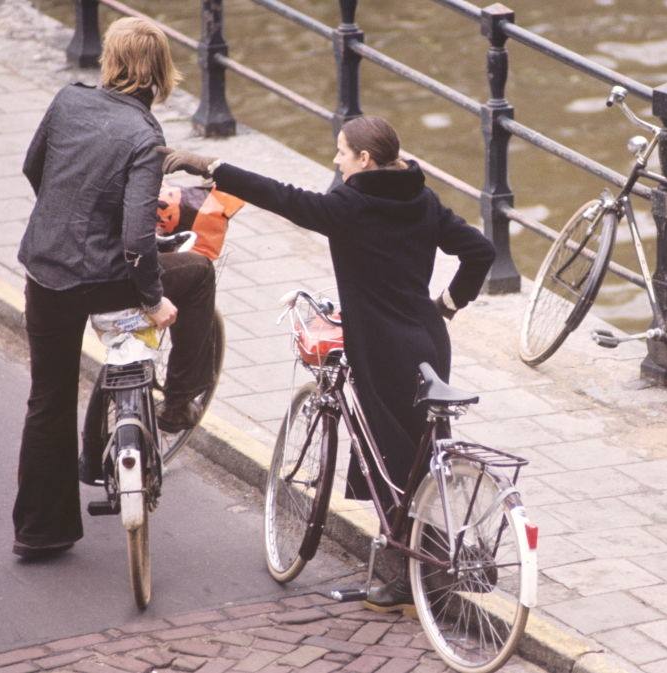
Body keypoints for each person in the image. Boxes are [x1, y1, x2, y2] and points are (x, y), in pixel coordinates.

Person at [161, 115, 495, 612]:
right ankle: (434, 564)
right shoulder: (421, 198)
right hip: (428, 342)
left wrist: (212, 165)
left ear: (364, 160)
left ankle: (417, 579)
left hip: (381, 350)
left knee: (393, 467)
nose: (335, 162)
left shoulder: (351, 205)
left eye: (341, 153)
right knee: (420, 454)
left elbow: (283, 196)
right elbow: (481, 250)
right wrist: (445, 304)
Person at [13, 17, 217, 560]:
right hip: (106, 281)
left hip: (46, 271)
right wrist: (153, 301)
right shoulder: (143, 135)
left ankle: (40, 531)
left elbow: (34, 170)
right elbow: (134, 239)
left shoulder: (66, 101)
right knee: (196, 275)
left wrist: (64, 217)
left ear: (109, 60)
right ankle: (177, 403)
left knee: (47, 398)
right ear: (160, 71)